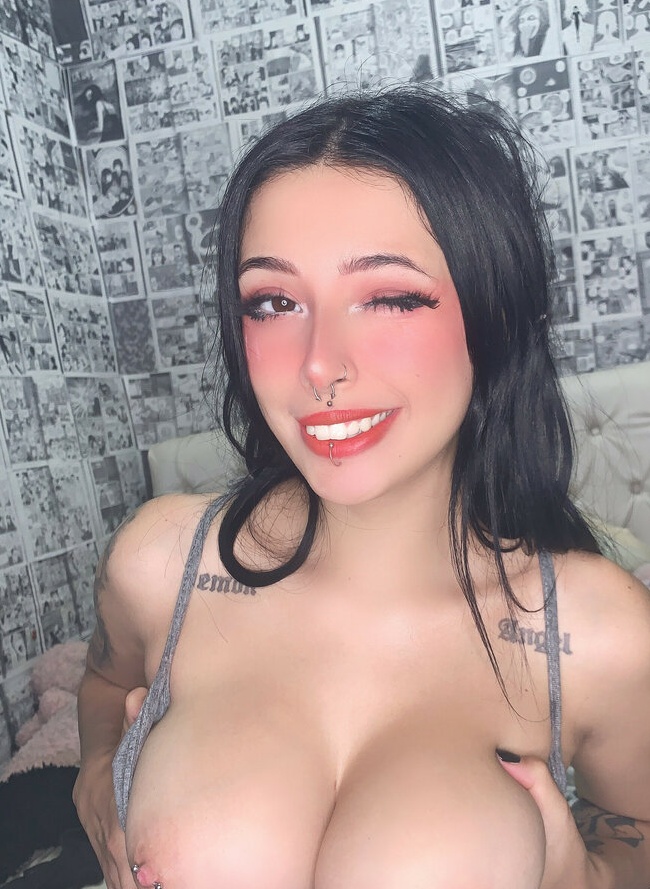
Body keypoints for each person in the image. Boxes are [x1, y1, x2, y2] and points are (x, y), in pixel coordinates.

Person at [74, 87, 650, 889]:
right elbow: (105, 682)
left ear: (493, 313)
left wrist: (584, 878)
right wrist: (94, 771)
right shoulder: (160, 562)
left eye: (388, 297)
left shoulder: (598, 633)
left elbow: (637, 832)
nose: (319, 363)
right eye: (274, 301)